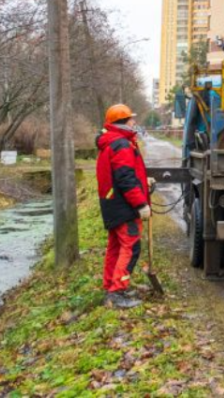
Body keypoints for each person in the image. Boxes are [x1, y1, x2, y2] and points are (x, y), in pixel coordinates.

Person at [96, 103, 151, 309]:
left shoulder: (110, 143)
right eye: (131, 120)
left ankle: (110, 287)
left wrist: (145, 184)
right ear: (122, 123)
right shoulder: (122, 145)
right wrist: (141, 203)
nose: (134, 122)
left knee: (116, 247)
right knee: (131, 247)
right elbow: (125, 179)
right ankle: (117, 292)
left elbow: (125, 175)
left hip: (111, 204)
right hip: (124, 206)